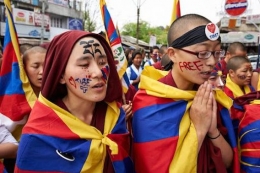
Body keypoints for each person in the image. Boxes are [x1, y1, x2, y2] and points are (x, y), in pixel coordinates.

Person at [15, 31, 134, 173]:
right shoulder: (38, 135)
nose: (98, 72)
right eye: (84, 64)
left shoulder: (117, 117)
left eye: (102, 62)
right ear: (60, 76)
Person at [132, 14, 238, 173]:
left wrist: (212, 131)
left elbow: (228, 162)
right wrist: (199, 130)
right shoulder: (149, 103)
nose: (212, 62)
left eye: (216, 53)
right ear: (173, 54)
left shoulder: (208, 96)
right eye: (202, 53)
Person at [223, 56, 254, 137]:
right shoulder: (225, 94)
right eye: (245, 71)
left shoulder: (251, 89)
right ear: (232, 73)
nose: (249, 74)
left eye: (251, 70)